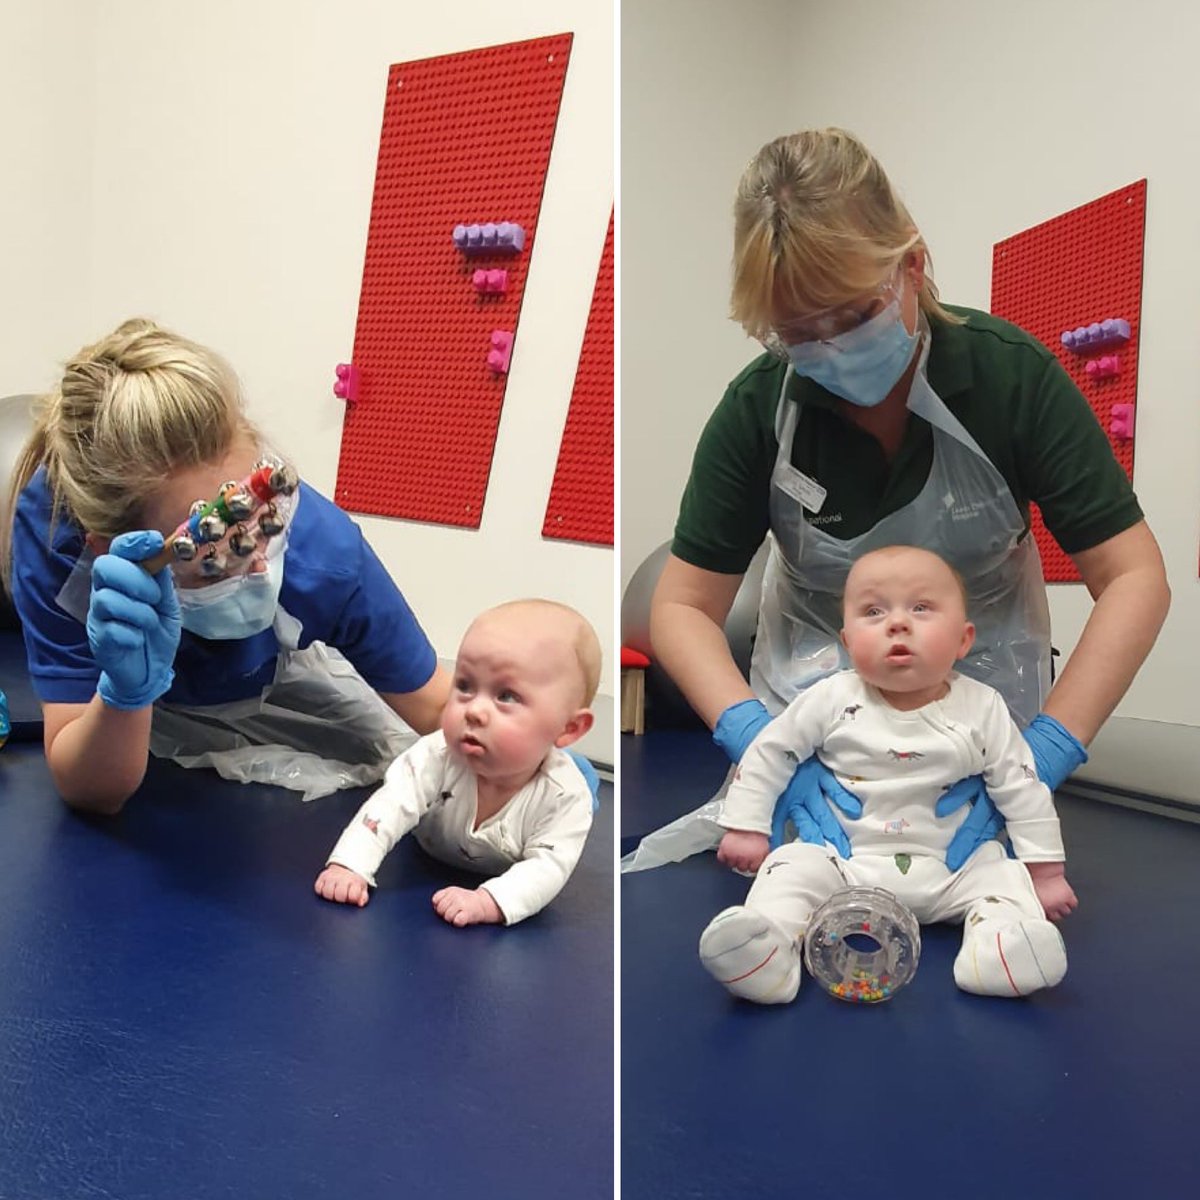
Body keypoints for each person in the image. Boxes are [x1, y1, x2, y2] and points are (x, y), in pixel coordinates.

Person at [646, 127, 1169, 868]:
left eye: (854, 317)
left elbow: (1135, 577)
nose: (829, 349)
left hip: (984, 722)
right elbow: (681, 606)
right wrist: (755, 740)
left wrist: (1045, 752)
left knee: (979, 888)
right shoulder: (760, 407)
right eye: (798, 333)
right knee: (801, 883)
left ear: (912, 266)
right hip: (812, 724)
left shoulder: (1008, 381)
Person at [0, 319, 451, 813]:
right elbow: (90, 789)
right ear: (110, 548)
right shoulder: (55, 541)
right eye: (213, 554)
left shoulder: (324, 557)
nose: (259, 562)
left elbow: (435, 704)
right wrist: (125, 694)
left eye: (260, 518)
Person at [700, 545, 1075, 1003]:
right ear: (846, 640)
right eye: (873, 611)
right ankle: (766, 952)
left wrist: (1046, 870)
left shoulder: (983, 708)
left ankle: (998, 952)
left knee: (1003, 879)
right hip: (842, 863)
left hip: (953, 866)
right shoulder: (830, 698)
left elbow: (1022, 786)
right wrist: (747, 825)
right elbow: (770, 752)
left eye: (921, 607)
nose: (897, 623)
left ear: (963, 639)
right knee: (788, 868)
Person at [314, 599, 600, 927]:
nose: (474, 710)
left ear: (568, 727)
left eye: (506, 696)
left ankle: (584, 770)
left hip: (507, 861)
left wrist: (488, 901)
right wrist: (350, 865)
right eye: (464, 686)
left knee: (580, 787)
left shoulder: (564, 796)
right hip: (427, 853)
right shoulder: (436, 754)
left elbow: (548, 867)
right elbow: (390, 806)